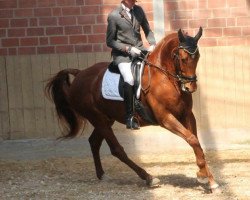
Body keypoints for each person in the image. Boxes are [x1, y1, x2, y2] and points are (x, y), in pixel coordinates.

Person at [106, 0, 156, 130]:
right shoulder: (114, 15)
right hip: (123, 56)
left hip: (140, 50)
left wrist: (152, 44)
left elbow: (147, 29)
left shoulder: (138, 10)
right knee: (129, 78)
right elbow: (110, 41)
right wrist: (128, 49)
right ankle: (130, 116)